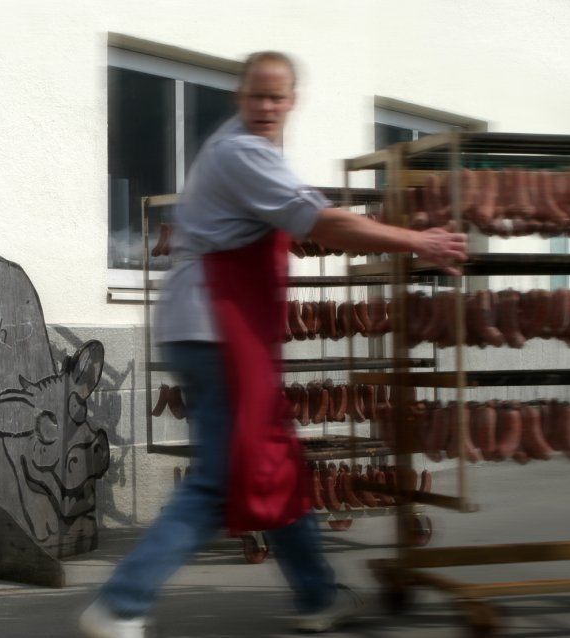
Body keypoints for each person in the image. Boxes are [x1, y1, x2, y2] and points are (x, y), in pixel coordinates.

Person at [80, 51, 468, 637]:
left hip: (215, 329)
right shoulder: (243, 153)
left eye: (276, 97)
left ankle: (317, 596)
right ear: (240, 98)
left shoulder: (249, 153)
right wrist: (418, 240)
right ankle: (121, 604)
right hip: (216, 330)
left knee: (274, 463)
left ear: (291, 101)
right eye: (256, 95)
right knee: (221, 477)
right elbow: (324, 223)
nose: (265, 107)